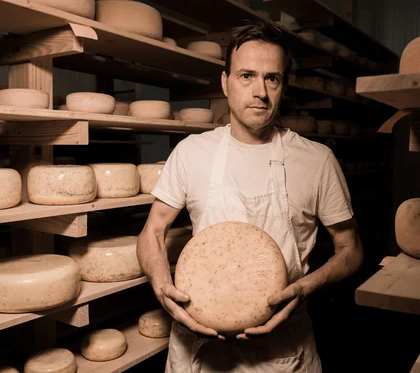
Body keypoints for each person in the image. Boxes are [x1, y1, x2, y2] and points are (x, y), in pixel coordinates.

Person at [137, 20, 364, 373]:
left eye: (271, 78)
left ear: (283, 86)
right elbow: (152, 231)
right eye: (246, 76)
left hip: (282, 349)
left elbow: (350, 248)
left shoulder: (317, 160)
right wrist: (160, 284)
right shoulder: (191, 152)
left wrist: (306, 286)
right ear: (225, 82)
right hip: (198, 348)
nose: (260, 90)